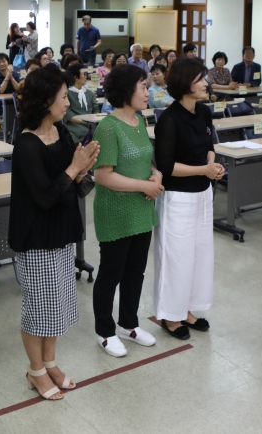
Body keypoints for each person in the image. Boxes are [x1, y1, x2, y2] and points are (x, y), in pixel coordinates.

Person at [9, 66, 99, 401]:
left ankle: (50, 364)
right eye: (62, 97)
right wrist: (74, 168)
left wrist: (83, 168)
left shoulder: (59, 130)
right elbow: (46, 195)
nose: (67, 103)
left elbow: (68, 180)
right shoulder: (26, 144)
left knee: (57, 304)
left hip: (60, 231)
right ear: (44, 101)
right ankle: (35, 372)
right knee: (38, 309)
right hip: (36, 237)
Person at [92, 65, 161, 357]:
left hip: (141, 209)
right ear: (126, 91)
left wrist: (155, 174)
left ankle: (128, 324)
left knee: (135, 271)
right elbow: (102, 175)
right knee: (111, 273)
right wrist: (143, 186)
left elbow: (145, 158)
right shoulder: (108, 127)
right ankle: (104, 331)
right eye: (143, 87)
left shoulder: (139, 120)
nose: (148, 92)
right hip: (116, 211)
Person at [152, 57, 221, 340]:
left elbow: (210, 146)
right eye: (200, 79)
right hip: (177, 198)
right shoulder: (169, 119)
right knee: (176, 258)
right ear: (184, 84)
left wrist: (212, 165)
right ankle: (170, 315)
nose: (206, 83)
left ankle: (188, 309)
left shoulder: (203, 112)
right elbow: (167, 167)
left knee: (199, 256)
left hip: (203, 194)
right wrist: (204, 170)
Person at [61, 63, 96, 144]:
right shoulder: (68, 93)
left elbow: (96, 109)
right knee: (82, 133)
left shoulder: (90, 93)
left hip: (91, 124)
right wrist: (87, 123)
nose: (86, 76)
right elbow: (68, 115)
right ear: (75, 77)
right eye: (83, 74)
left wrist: (93, 122)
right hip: (74, 125)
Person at [0, 53, 21, 119]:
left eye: (4, 61)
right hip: (0, 104)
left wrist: (11, 78)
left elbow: (18, 89)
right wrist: (7, 78)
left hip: (14, 101)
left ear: (7, 62)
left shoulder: (15, 74)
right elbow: (0, 91)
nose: (2, 64)